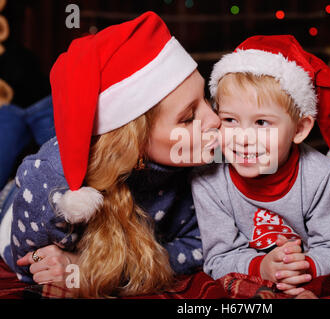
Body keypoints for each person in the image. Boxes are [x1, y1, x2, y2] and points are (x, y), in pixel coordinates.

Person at [0, 11, 221, 298]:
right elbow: (30, 263)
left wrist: (93, 269)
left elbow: (201, 247)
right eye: (189, 117)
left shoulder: (198, 169)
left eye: (206, 98)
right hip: (10, 204)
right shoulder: (53, 180)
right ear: (135, 140)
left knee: (43, 116)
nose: (215, 120)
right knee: (11, 124)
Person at [192, 35, 330, 295]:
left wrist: (305, 266)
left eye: (261, 123)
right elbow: (218, 258)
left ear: (300, 129)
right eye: (230, 120)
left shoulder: (319, 175)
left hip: (303, 270)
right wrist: (263, 267)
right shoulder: (209, 181)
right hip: (258, 274)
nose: (243, 138)